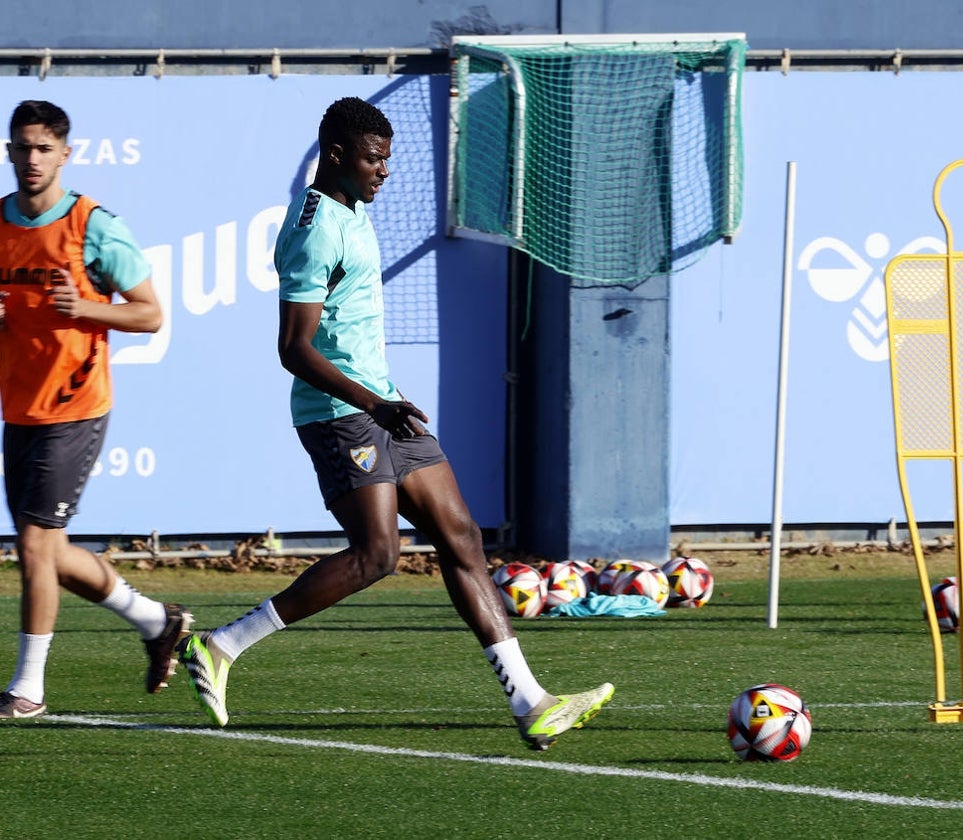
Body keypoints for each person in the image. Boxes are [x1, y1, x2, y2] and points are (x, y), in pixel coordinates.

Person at [177, 97, 613, 749]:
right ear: (336, 156)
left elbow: (349, 333)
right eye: (373, 158)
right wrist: (373, 404)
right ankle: (221, 646)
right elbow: (294, 348)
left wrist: (387, 399)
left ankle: (532, 702)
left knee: (461, 535)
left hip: (382, 405)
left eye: (387, 159)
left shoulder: (354, 212)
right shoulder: (315, 225)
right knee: (377, 554)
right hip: (340, 415)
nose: (384, 172)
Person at [0, 100, 191, 719]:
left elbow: (150, 313)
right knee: (49, 552)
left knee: (33, 546)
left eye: (42, 148)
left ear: (65, 153)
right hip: (19, 409)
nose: (31, 159)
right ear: (8, 152)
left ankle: (28, 689)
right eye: (21, 147)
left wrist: (84, 308)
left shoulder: (93, 225)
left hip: (76, 406)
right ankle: (158, 621)